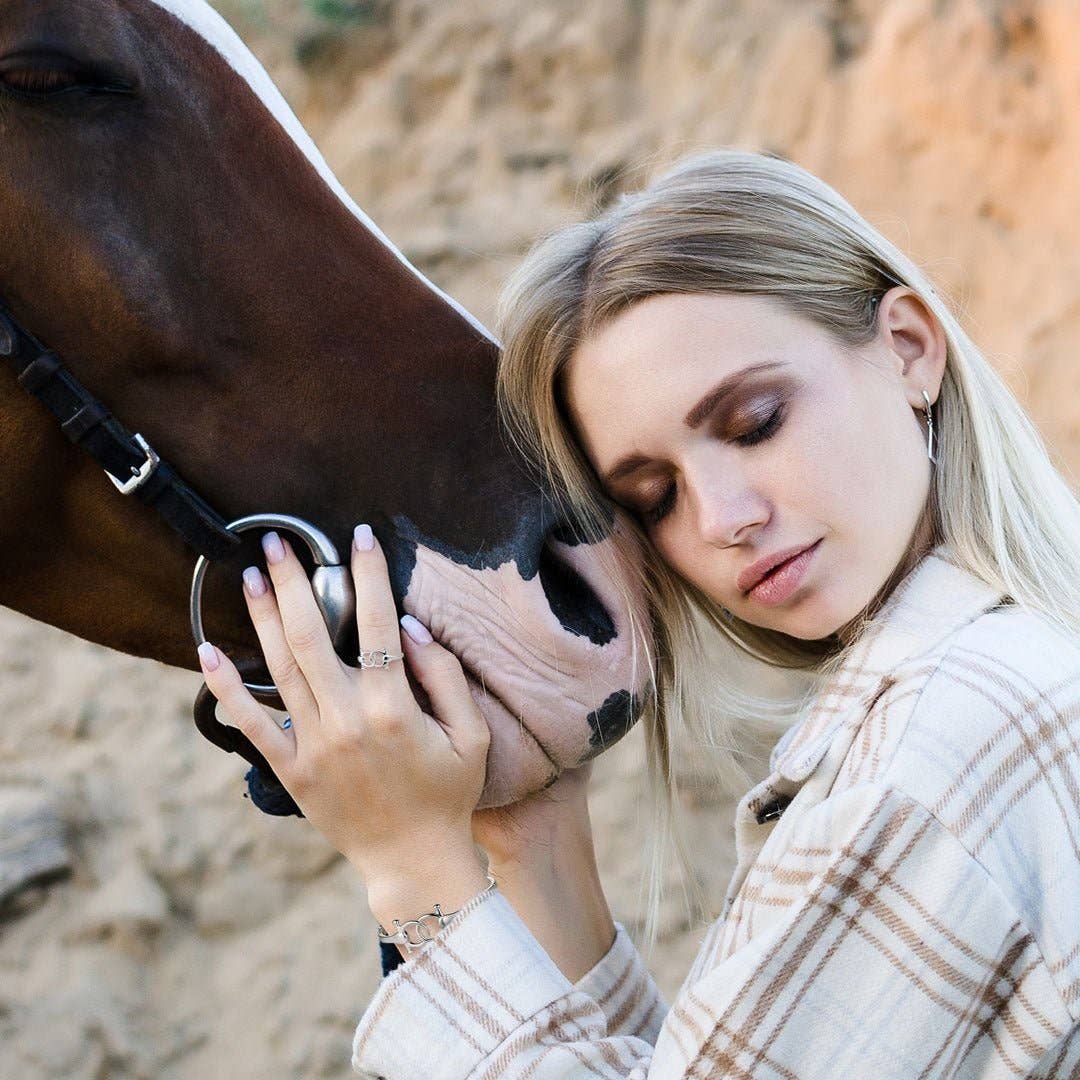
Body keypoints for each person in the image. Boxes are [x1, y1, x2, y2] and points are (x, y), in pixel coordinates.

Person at [196, 148, 1080, 1077]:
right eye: (654, 496)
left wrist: (412, 867)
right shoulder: (1009, 673)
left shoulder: (945, 751)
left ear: (907, 348)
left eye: (756, 422)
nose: (723, 519)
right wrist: (531, 834)